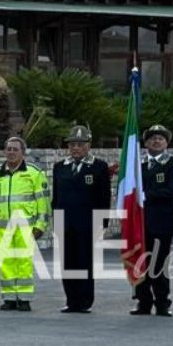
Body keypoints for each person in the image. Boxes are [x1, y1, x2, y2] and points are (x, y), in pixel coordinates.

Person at [50, 124, 113, 315]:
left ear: (88, 145)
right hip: (65, 222)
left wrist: (102, 222)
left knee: (84, 262)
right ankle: (71, 300)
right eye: (72, 144)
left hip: (87, 223)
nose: (76, 148)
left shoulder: (98, 167)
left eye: (80, 144)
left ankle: (85, 300)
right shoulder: (60, 167)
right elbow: (56, 197)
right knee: (67, 263)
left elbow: (104, 197)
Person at [0, 136, 48, 312]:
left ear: (23, 152)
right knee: (6, 263)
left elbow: (42, 202)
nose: (11, 152)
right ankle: (9, 298)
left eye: (15, 149)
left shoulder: (34, 174)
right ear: (4, 151)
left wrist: (41, 226)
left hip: (25, 227)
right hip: (1, 228)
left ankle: (25, 298)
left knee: (24, 262)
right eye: (9, 149)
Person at [133, 125, 173, 318]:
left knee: (159, 265)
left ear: (166, 142)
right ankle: (143, 302)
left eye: (160, 138)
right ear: (145, 143)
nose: (156, 141)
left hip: (161, 223)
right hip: (139, 223)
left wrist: (144, 195)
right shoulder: (137, 165)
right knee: (140, 264)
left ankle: (162, 303)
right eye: (152, 138)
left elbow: (172, 190)